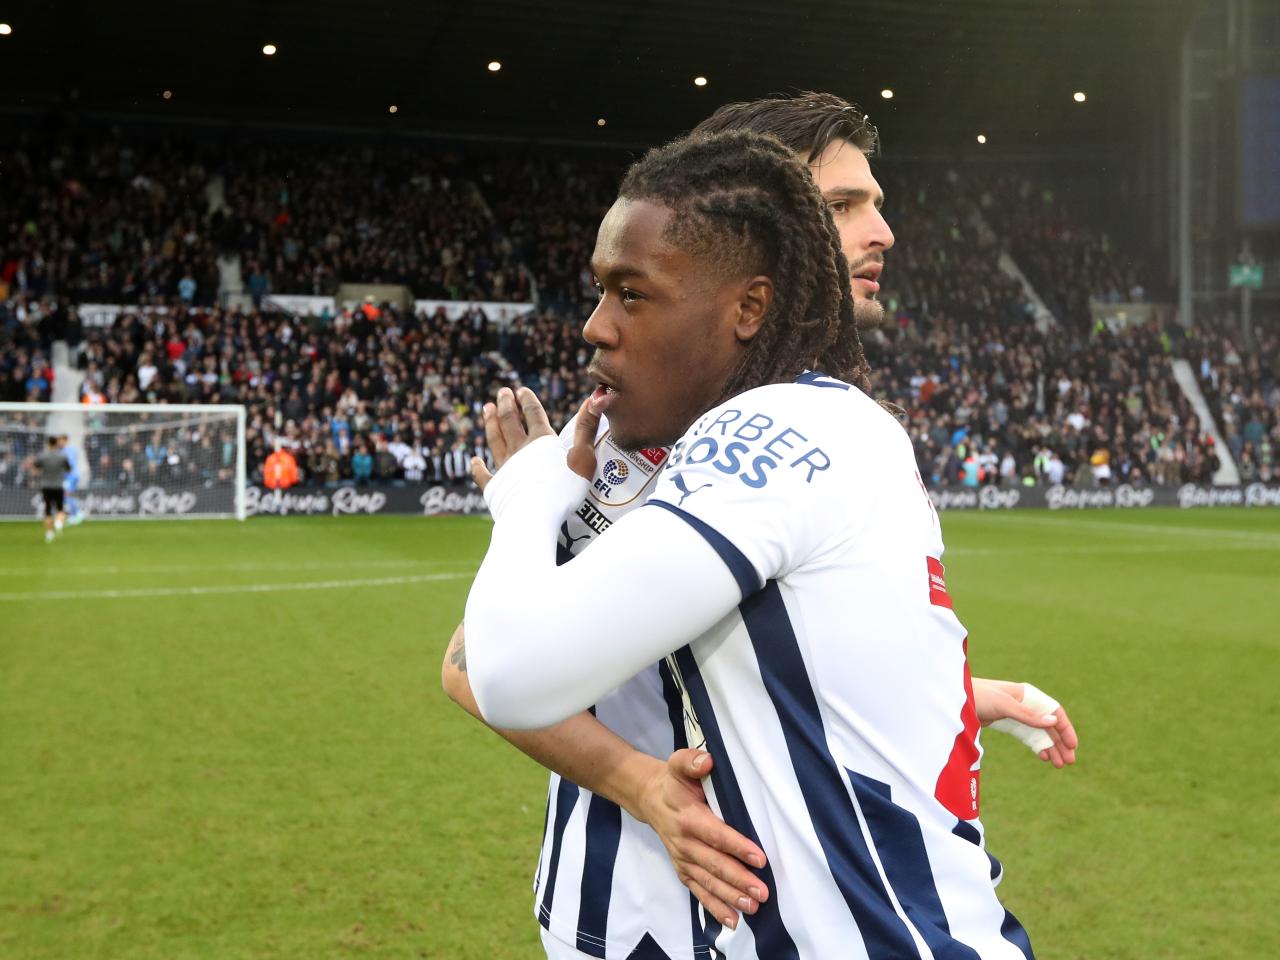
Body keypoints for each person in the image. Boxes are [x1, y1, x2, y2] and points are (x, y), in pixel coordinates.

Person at [442, 96, 1075, 960]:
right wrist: (639, 784)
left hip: (764, 908)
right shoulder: (662, 443)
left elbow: (802, 674)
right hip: (639, 905)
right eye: (844, 206)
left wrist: (962, 694)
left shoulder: (799, 424)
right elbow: (478, 662)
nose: (880, 230)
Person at [31, 436, 69, 543]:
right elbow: (68, 469)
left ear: (48, 444)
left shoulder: (42, 456)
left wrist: (40, 473)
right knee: (60, 509)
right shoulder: (62, 456)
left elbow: (34, 468)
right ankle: (58, 523)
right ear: (57, 443)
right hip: (58, 485)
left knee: (47, 510)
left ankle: (49, 533)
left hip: (46, 486)